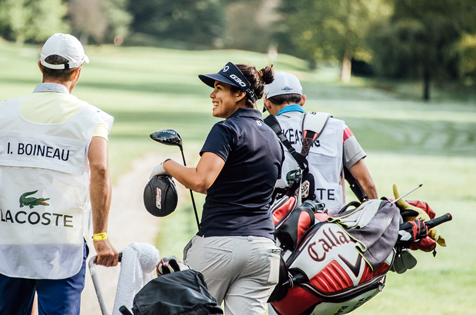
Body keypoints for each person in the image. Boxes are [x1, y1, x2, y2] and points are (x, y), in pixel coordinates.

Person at [0, 33, 118, 315]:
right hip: (62, 244)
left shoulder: (0, 115)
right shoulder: (92, 119)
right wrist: (100, 236)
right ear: (78, 72)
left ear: (40, 66)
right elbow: (100, 169)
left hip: (11, 241)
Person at [149, 62, 284, 315]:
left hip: (220, 247)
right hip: (264, 252)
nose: (212, 94)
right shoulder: (272, 136)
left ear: (240, 94)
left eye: (219, 88)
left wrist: (166, 165)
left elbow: (201, 181)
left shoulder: (226, 129)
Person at [262, 71, 378, 214]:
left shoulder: (261, 131)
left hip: (280, 225)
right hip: (330, 227)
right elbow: (367, 183)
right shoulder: (339, 128)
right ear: (303, 100)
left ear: (267, 103)